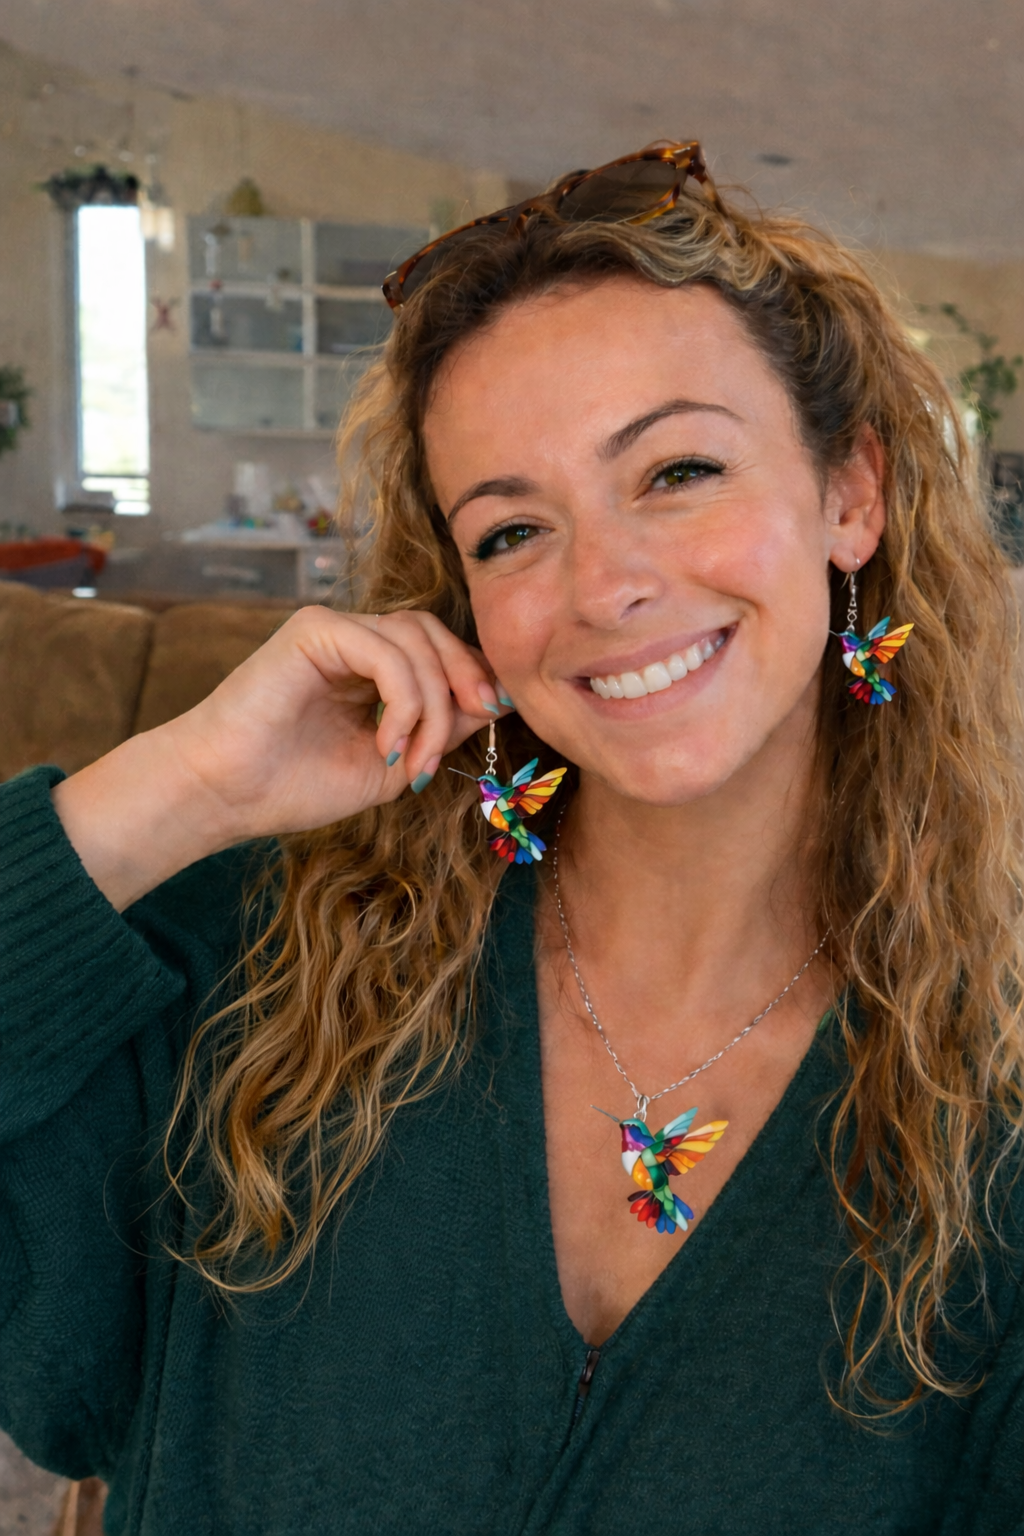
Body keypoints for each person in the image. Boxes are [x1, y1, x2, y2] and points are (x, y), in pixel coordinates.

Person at [1, 142, 1021, 1535]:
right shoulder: (261, 974)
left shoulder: (990, 1110)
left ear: (852, 494)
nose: (604, 586)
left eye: (677, 469)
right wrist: (188, 787)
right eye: (512, 531)